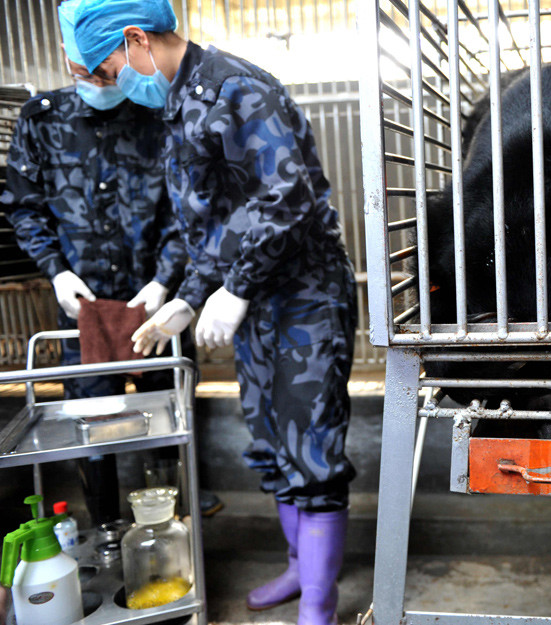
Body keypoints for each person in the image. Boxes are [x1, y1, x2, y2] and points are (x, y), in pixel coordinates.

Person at [75, 2, 358, 623]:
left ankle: (320, 604)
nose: (113, 78)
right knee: (270, 436)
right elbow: (215, 223)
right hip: (254, 302)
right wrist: (188, 296)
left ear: (135, 37)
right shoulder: (179, 101)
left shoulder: (237, 87)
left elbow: (290, 195)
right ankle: (297, 566)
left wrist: (237, 286)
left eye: (109, 63)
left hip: (304, 293)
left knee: (311, 444)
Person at [0, 0, 192, 528]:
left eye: (103, 71)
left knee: (167, 422)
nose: (98, 81)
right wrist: (55, 269)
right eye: (85, 72)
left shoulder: (160, 114)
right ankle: (109, 529)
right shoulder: (43, 119)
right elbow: (23, 204)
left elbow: (188, 208)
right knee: (94, 428)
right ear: (67, 57)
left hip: (157, 305)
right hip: (83, 312)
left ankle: (173, 528)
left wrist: (164, 278)